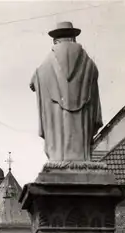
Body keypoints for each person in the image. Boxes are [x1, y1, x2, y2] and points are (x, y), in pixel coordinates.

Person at [30, 21, 103, 162]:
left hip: (58, 118)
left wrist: (36, 81)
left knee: (59, 134)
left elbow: (36, 78)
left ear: (56, 39)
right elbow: (94, 74)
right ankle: (81, 158)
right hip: (81, 120)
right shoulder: (86, 60)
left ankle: (58, 158)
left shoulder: (49, 59)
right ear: (73, 37)